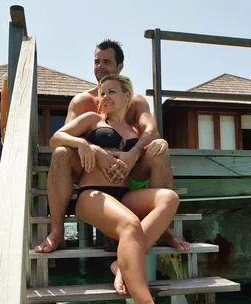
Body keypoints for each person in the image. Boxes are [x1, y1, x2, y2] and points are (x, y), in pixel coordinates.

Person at [49, 74, 182, 304]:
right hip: (92, 195)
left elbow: (153, 135)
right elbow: (56, 137)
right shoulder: (92, 120)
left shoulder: (135, 130)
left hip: (124, 195)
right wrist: (86, 144)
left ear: (126, 96)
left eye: (111, 92)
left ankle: (123, 262)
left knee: (169, 198)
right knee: (131, 226)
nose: (104, 97)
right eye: (102, 93)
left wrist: (134, 154)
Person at [35, 39, 189, 254]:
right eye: (97, 61)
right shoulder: (82, 102)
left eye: (106, 61)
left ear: (120, 67)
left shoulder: (133, 101)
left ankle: (161, 229)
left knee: (160, 147)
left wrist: (133, 154)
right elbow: (62, 139)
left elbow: (151, 130)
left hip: (129, 171)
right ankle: (57, 230)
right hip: (90, 170)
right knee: (61, 153)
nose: (100, 66)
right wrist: (95, 150)